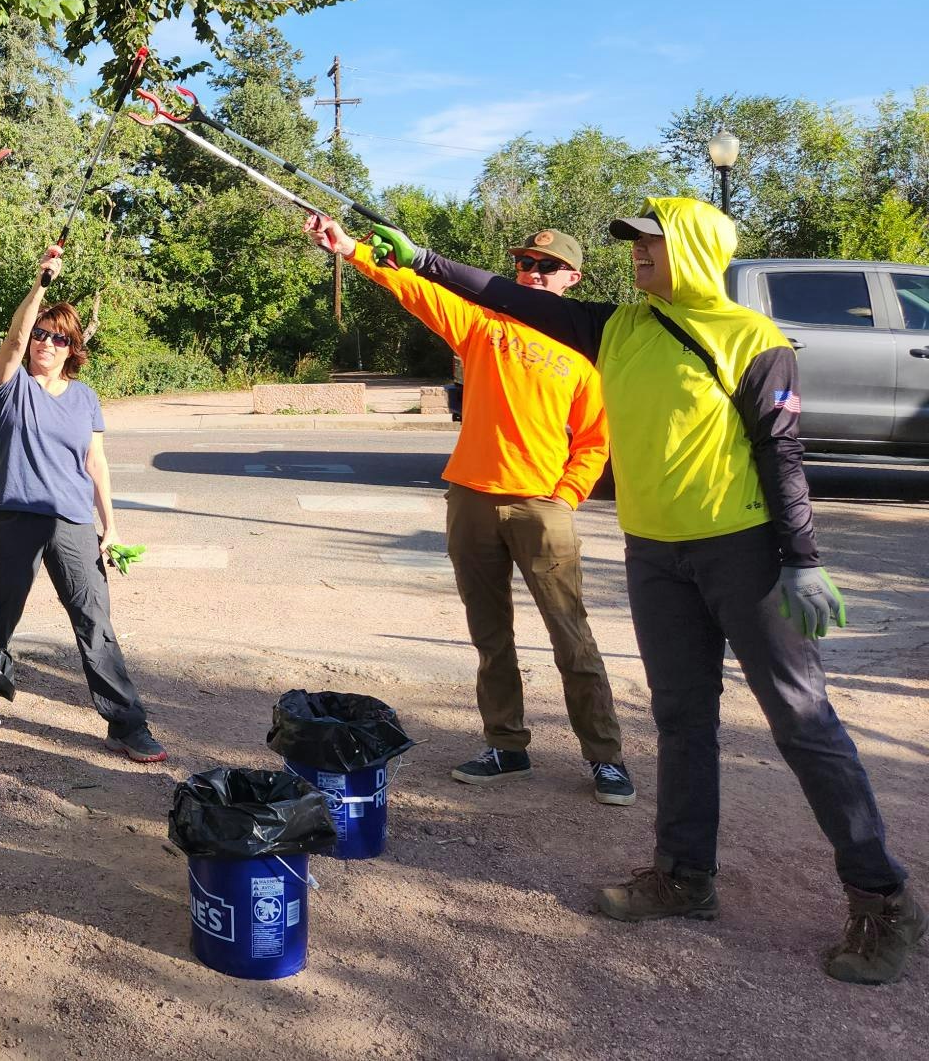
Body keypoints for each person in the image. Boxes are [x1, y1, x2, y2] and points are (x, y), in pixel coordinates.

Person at [365, 197, 919, 984]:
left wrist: (801, 556)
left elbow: (782, 452)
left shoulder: (753, 340)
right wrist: (420, 260)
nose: (636, 256)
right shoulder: (618, 328)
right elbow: (506, 295)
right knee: (681, 719)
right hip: (655, 554)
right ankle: (685, 877)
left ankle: (883, 898)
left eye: (649, 245)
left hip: (746, 554)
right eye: (629, 246)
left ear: (692, 249)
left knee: (801, 719)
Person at [304, 216, 633, 807]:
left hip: (542, 507)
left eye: (547, 267)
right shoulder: (485, 327)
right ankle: (506, 746)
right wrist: (351, 249)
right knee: (490, 635)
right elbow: (416, 290)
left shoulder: (585, 352)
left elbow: (594, 441)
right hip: (471, 499)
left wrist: (565, 497)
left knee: (571, 638)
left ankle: (605, 757)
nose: (532, 273)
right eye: (525, 264)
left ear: (572, 278)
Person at [0, 244, 164, 763]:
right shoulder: (9, 385)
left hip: (73, 520)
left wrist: (112, 527)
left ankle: (126, 724)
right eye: (42, 334)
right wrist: (40, 284)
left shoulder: (85, 397)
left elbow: (96, 464)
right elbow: (13, 337)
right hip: (14, 516)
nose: (46, 344)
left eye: (59, 338)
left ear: (72, 347)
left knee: (94, 620)